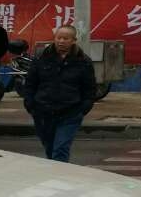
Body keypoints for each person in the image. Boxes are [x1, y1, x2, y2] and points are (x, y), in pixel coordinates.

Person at [23, 25, 97, 163]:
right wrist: (30, 104)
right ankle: (54, 171)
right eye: (59, 38)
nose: (61, 41)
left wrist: (84, 108)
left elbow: (90, 88)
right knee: (49, 148)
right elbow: (30, 83)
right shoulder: (42, 57)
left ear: (73, 40)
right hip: (43, 112)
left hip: (70, 113)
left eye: (66, 38)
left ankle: (60, 174)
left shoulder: (82, 61)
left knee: (60, 149)